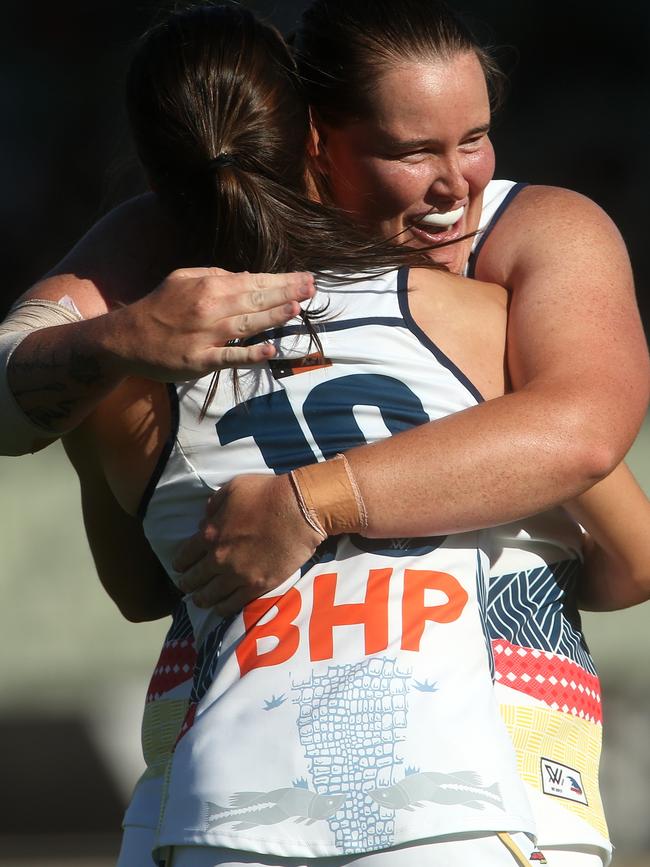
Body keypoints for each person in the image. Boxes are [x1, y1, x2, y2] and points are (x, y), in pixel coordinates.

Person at [1, 0, 648, 864]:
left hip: (212, 810)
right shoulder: (487, 320)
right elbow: (615, 515)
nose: (458, 182)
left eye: (474, 137)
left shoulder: (130, 344)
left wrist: (307, 502)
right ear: (316, 140)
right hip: (474, 800)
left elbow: (139, 583)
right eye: (411, 151)